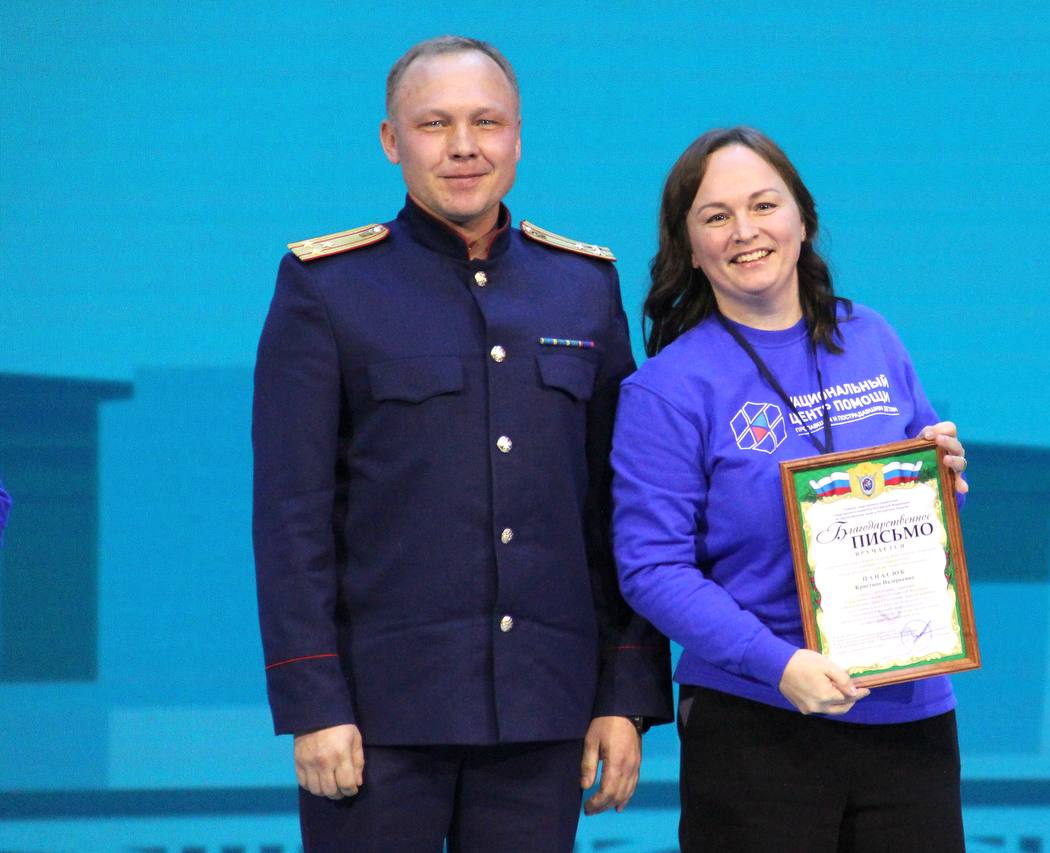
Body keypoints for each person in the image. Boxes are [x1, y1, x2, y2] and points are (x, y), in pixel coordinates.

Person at [252, 35, 671, 852]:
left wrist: (625, 693)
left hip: (543, 713)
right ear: (391, 140)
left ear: (518, 137)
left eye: (487, 121)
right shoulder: (326, 287)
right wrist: (314, 701)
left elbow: (617, 511)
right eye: (435, 123)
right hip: (377, 720)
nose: (464, 146)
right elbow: (291, 515)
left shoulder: (583, 286)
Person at [610, 127, 969, 852]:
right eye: (716, 216)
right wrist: (778, 665)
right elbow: (651, 568)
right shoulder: (669, 389)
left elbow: (929, 503)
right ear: (690, 246)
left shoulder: (872, 337)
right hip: (758, 721)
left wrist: (944, 476)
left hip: (911, 710)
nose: (745, 231)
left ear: (802, 219)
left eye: (764, 205)